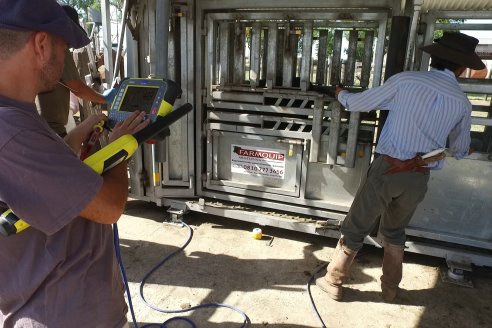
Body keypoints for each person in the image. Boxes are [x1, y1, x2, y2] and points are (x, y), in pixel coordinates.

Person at [0, 0, 149, 327]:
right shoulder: (11, 132)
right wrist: (118, 151)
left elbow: (40, 175)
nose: (65, 59)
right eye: (64, 49)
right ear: (41, 44)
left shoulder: (18, 114)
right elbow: (109, 206)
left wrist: (78, 135)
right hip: (62, 313)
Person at [316, 32, 485, 302]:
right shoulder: (462, 103)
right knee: (395, 232)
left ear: (433, 58)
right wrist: (467, 149)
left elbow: (358, 103)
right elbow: (458, 149)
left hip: (387, 170)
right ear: (462, 67)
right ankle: (390, 290)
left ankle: (334, 281)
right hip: (418, 177)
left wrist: (340, 93)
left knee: (356, 226)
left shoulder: (406, 81)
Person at [36, 4, 117, 137]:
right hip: (52, 129)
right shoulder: (58, 49)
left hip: (41, 126)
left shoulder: (42, 50)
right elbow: (77, 88)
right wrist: (104, 98)